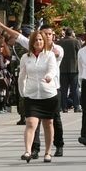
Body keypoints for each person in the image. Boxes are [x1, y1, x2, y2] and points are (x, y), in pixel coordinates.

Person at [0, 16, 65, 158]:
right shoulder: (31, 51)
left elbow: (53, 68)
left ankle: (58, 145)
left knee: (53, 120)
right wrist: (1, 25)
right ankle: (34, 148)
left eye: (50, 34)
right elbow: (17, 36)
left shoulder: (57, 50)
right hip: (34, 92)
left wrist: (49, 77)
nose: (47, 37)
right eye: (45, 34)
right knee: (33, 122)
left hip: (52, 89)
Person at [18, 31, 58, 163]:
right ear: (32, 43)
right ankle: (28, 151)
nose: (39, 42)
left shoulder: (50, 55)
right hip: (32, 95)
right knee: (30, 123)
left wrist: (49, 77)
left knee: (48, 123)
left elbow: (53, 69)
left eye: (41, 40)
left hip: (48, 94)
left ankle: (48, 152)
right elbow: (22, 76)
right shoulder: (25, 57)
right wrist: (22, 93)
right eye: (36, 40)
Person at [57, 28, 82, 113]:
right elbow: (80, 53)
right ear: (72, 33)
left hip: (62, 69)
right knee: (75, 89)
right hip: (74, 69)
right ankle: (76, 106)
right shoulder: (76, 42)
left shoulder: (59, 42)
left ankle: (64, 107)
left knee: (63, 90)